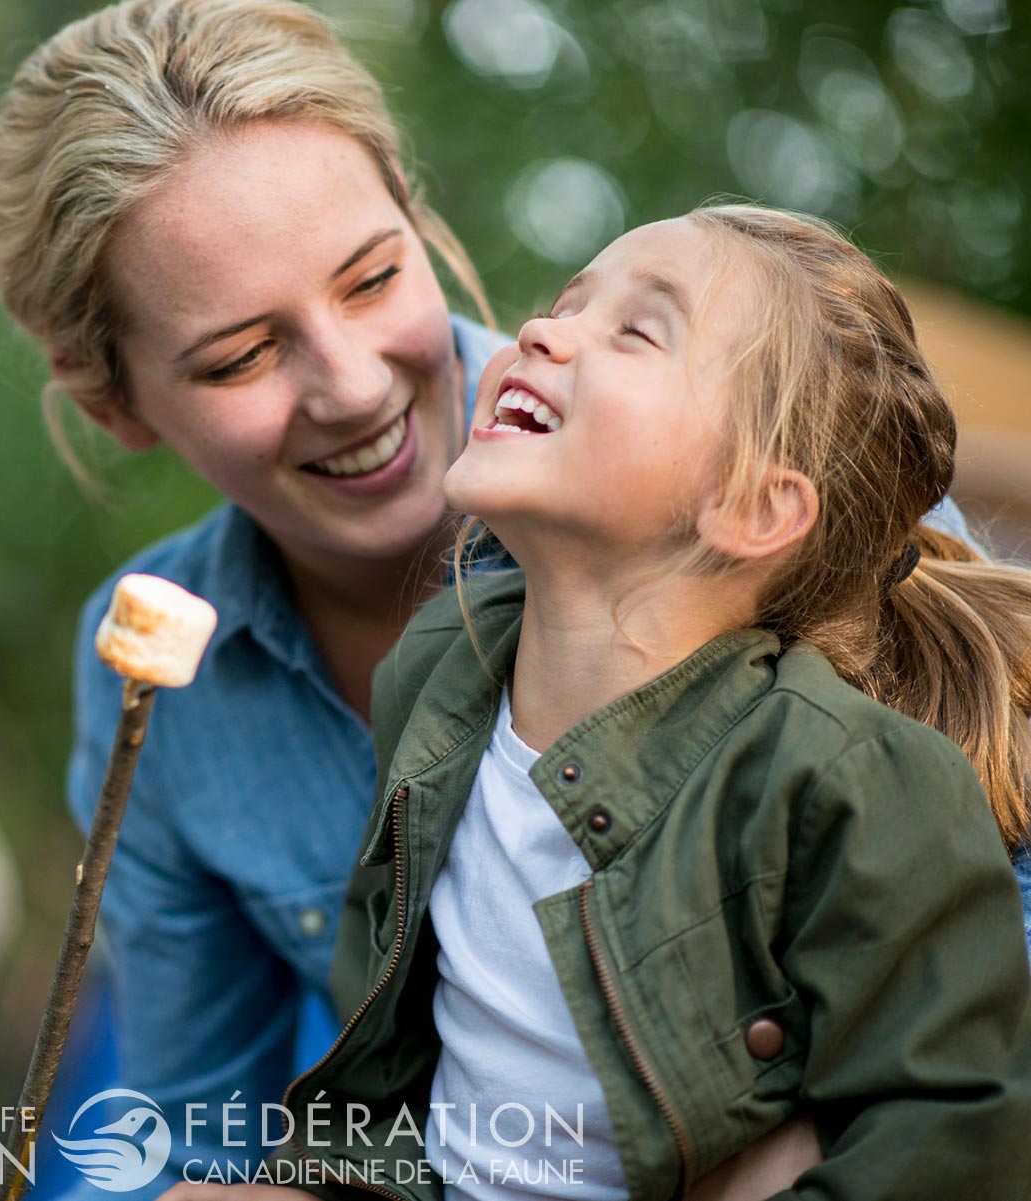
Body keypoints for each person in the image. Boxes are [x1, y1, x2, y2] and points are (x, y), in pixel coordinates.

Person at [0, 1, 987, 1195]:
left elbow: (978, 1036)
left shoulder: (770, 461)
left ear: (417, 216)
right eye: (242, 355)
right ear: (117, 406)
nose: (352, 387)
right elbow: (212, 1130)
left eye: (371, 278)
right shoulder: (165, 679)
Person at [231, 204, 1031, 1199]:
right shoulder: (439, 668)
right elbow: (390, 1044)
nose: (540, 331)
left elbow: (952, 1138)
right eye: (566, 302)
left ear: (756, 505)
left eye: (636, 330)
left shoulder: (849, 778)